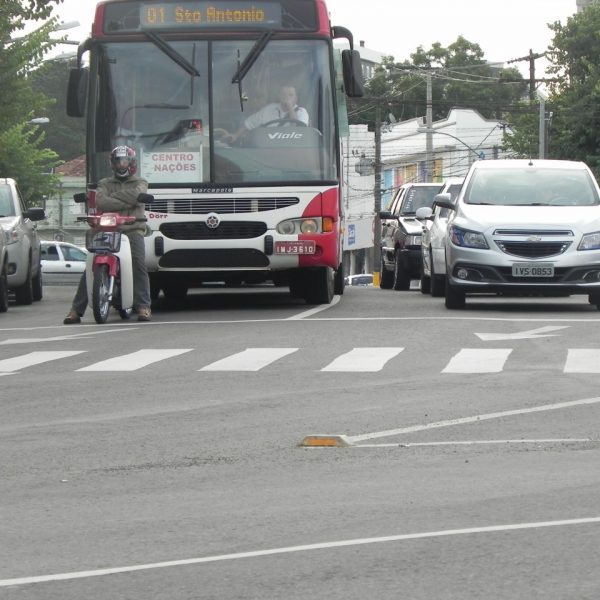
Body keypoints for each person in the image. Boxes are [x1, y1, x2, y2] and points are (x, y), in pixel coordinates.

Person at [63, 146, 152, 324]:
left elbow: (137, 195)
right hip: (107, 229)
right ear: (112, 163)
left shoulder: (140, 182)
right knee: (91, 265)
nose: (121, 164)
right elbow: (101, 201)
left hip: (132, 228)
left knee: (138, 263)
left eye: (124, 161)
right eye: (117, 161)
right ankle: (76, 309)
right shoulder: (104, 183)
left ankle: (143, 306)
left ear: (132, 163)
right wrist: (126, 199)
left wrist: (117, 199)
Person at [222, 85, 309, 145]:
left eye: (290, 95)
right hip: (267, 151)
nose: (286, 97)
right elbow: (249, 123)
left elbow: (300, 130)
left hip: (292, 151)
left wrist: (290, 107)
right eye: (283, 94)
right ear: (279, 96)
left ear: (296, 98)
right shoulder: (269, 109)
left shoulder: (301, 112)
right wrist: (235, 135)